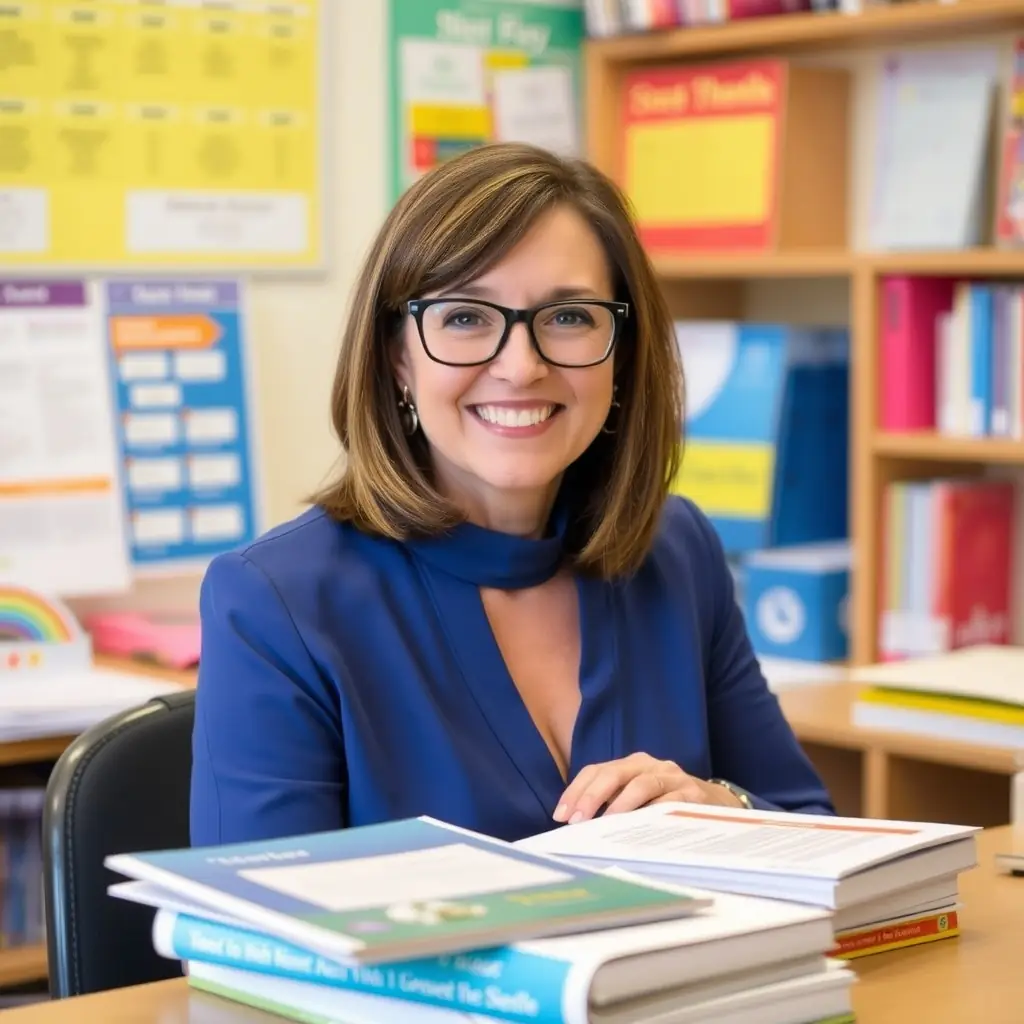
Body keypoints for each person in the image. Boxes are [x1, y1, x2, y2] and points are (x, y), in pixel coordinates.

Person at [190, 142, 834, 848]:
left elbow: (814, 828)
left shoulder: (676, 551)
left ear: (623, 352)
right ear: (395, 357)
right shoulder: (274, 600)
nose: (521, 367)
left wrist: (721, 807)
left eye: (569, 317)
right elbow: (250, 934)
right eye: (465, 317)